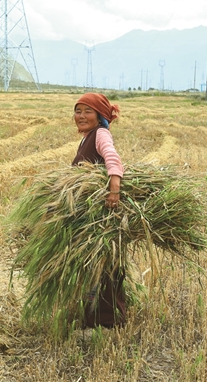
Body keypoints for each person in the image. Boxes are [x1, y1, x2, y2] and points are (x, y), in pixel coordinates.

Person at [71, 93, 126, 328]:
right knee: (91, 267)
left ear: (100, 115)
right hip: (88, 215)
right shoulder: (87, 138)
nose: (81, 116)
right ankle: (92, 317)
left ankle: (107, 322)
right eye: (78, 111)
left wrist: (114, 189)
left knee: (104, 266)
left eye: (88, 111)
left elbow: (112, 158)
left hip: (102, 217)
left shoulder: (101, 134)